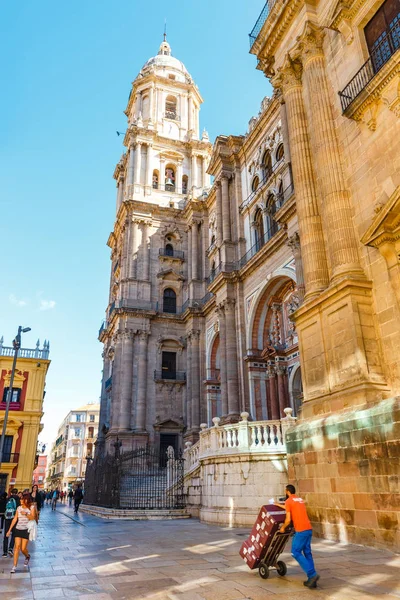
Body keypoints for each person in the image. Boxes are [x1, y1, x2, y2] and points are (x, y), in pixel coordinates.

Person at [279, 485, 319, 589]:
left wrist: (283, 527)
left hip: (300, 530)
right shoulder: (299, 499)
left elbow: (288, 520)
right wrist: (278, 505)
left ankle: (312, 574)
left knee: (295, 552)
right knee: (307, 553)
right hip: (308, 529)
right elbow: (292, 507)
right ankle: (311, 579)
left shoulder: (288, 501)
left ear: (287, 492)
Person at [6, 491, 37, 573]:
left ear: (26, 500)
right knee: (17, 548)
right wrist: (9, 530)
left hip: (26, 530)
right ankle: (14, 566)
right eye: (21, 499)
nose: (21, 501)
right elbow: (15, 519)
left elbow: (32, 518)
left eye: (22, 499)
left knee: (23, 549)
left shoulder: (31, 508)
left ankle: (27, 556)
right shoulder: (18, 508)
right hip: (18, 529)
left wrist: (26, 513)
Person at [2, 488, 20, 557]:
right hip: (14, 518)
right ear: (17, 492)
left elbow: (4, 508)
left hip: (7, 518)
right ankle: (10, 548)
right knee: (14, 534)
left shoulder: (8, 499)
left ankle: (4, 552)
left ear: (11, 492)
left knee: (6, 534)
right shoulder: (18, 499)